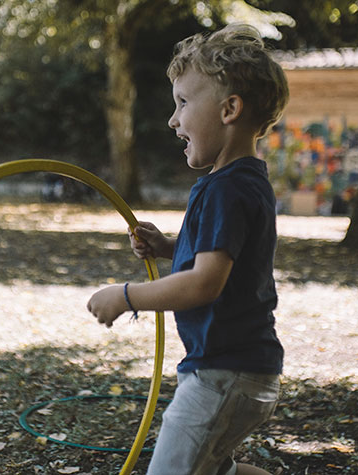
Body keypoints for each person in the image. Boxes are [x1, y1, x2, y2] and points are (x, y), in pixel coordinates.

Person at [87, 24, 288, 475]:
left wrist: (125, 296)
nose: (173, 119)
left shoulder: (226, 189)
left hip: (223, 373)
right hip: (243, 368)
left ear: (229, 109)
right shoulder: (244, 182)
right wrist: (167, 247)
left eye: (182, 103)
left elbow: (204, 283)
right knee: (217, 471)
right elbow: (223, 259)